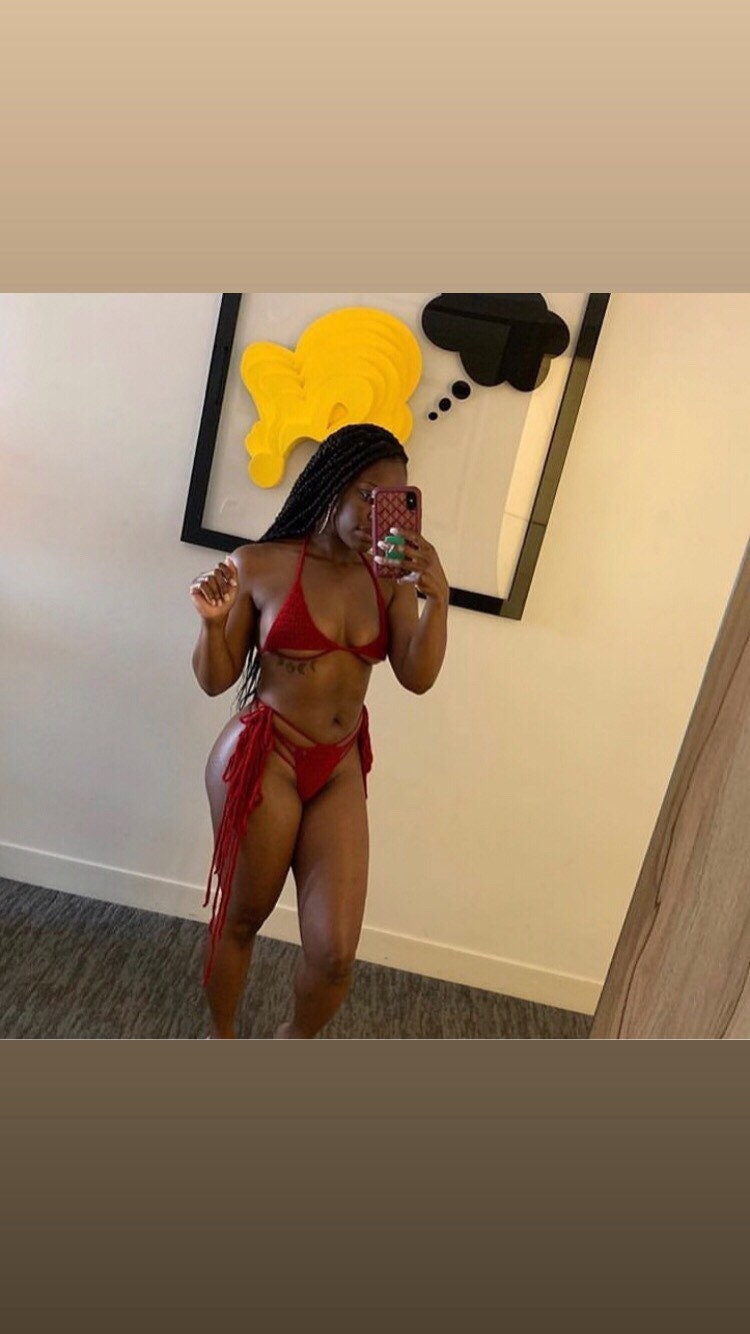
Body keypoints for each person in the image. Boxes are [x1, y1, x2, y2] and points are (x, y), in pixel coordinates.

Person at [189, 423, 449, 1038]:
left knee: (334, 955)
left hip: (338, 765)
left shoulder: (388, 580)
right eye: (366, 494)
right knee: (243, 917)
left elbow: (417, 677)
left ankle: (293, 1044)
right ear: (331, 485)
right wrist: (212, 624)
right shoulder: (259, 564)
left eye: (391, 500)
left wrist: (437, 601)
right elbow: (215, 680)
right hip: (264, 754)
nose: (376, 515)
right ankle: (220, 1038)